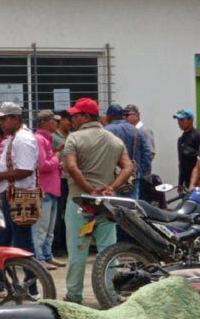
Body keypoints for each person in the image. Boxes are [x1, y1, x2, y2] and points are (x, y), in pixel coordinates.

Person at [61, 98, 133, 304]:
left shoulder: (73, 139)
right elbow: (128, 168)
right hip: (105, 204)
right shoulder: (114, 140)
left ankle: (74, 295)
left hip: (79, 203)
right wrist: (112, 187)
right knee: (108, 251)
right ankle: (110, 293)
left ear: (85, 116)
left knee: (77, 251)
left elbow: (73, 168)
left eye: (75, 115)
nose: (72, 119)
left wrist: (88, 189)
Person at [0, 102, 38, 254]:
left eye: (4, 119)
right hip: (13, 193)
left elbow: (25, 170)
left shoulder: (23, 139)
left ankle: (31, 275)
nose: (1, 123)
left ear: (16, 119)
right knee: (4, 236)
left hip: (20, 195)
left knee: (22, 239)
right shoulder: (15, 137)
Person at [33, 110, 64, 270]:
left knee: (49, 227)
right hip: (44, 188)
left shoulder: (46, 139)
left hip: (51, 188)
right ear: (44, 122)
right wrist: (57, 156)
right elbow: (42, 165)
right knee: (41, 227)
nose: (56, 124)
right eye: (53, 121)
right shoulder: (39, 139)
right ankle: (38, 258)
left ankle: (47, 255)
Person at [104, 103, 151, 199]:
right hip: (132, 179)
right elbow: (147, 154)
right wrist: (139, 171)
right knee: (131, 208)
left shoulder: (106, 131)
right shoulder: (137, 131)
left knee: (112, 209)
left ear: (109, 116)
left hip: (112, 180)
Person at [51, 112, 72, 259]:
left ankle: (66, 244)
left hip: (71, 179)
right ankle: (57, 246)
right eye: (68, 120)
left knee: (69, 213)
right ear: (62, 120)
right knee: (58, 214)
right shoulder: (53, 137)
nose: (70, 123)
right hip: (59, 179)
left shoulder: (72, 136)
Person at [174, 109, 200, 191]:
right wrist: (180, 183)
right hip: (187, 183)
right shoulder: (181, 140)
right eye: (178, 120)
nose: (179, 122)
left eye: (182, 120)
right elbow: (181, 163)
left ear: (190, 120)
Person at [124, 105, 156, 173]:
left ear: (137, 115)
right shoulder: (130, 130)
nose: (125, 118)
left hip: (141, 173)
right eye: (124, 115)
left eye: (128, 115)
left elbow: (150, 153)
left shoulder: (144, 131)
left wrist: (140, 169)